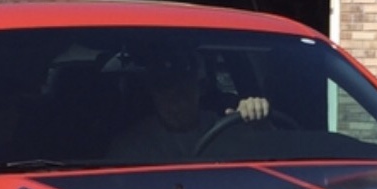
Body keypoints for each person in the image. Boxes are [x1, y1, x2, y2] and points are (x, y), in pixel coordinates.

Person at [108, 48, 270, 161]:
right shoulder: (132, 146)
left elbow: (266, 160)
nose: (176, 103)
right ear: (153, 95)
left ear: (200, 89)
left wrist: (257, 119)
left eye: (183, 93)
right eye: (166, 94)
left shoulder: (226, 129)